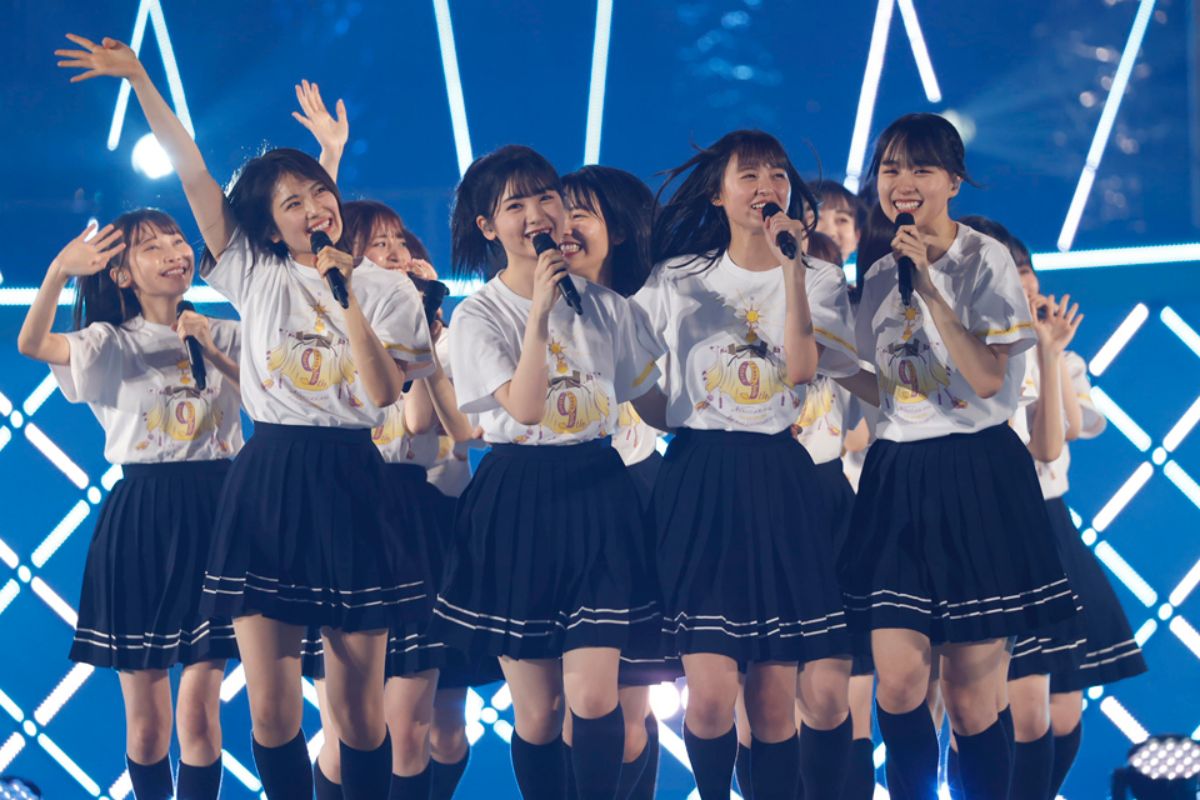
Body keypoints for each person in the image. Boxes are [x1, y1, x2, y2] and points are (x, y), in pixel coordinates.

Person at [58, 34, 435, 800]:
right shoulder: (253, 271)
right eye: (291, 203)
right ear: (267, 227)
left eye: (319, 194)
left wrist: (346, 295)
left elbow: (383, 394)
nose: (313, 209)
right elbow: (194, 171)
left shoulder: (387, 290)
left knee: (359, 713)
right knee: (271, 709)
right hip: (269, 479)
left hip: (355, 476)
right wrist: (140, 79)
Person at [836, 113, 1078, 800]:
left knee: (971, 700)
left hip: (977, 474)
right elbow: (883, 387)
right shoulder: (876, 274)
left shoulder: (985, 260)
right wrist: (827, 360)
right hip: (897, 477)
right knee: (897, 683)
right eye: (890, 169)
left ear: (952, 182)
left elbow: (987, 379)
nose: (902, 182)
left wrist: (931, 290)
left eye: (920, 168)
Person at [429, 145, 663, 800]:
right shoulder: (478, 316)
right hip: (519, 499)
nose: (536, 214)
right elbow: (526, 407)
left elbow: (657, 407)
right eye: (516, 205)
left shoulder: (609, 307)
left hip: (600, 492)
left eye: (546, 198)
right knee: (538, 712)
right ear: (487, 226)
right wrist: (538, 311)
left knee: (594, 698)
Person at [635, 129, 858, 799]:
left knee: (771, 700)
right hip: (700, 476)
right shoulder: (677, 277)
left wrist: (792, 269)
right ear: (718, 192)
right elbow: (632, 370)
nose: (767, 187)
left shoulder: (819, 277)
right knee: (708, 696)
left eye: (777, 175)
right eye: (750, 175)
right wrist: (669, 415)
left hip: (780, 477)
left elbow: (803, 369)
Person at [18, 213, 242, 800]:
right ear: (120, 274)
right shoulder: (108, 342)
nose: (173, 252)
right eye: (152, 247)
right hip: (144, 517)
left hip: (222, 512)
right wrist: (58, 272)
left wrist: (212, 347)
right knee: (147, 729)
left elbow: (273, 399)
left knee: (200, 715)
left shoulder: (224, 331)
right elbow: (32, 343)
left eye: (177, 241)